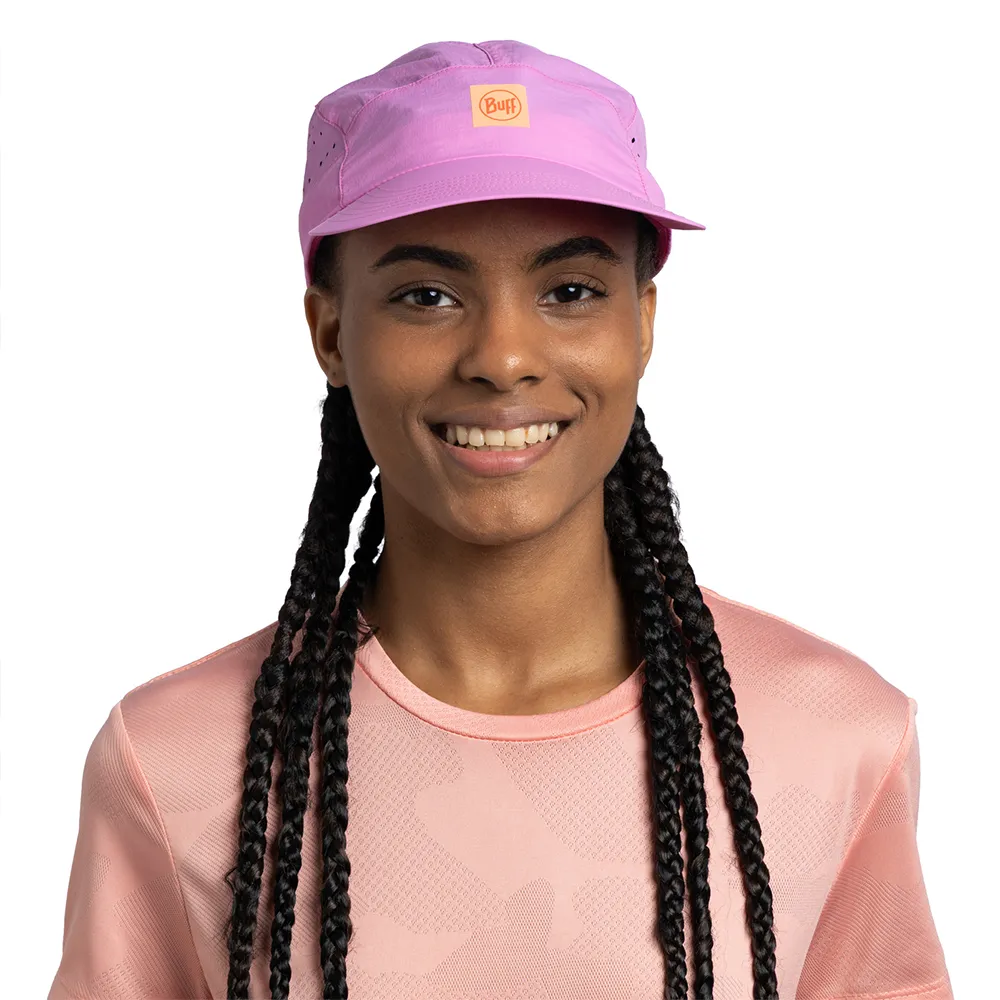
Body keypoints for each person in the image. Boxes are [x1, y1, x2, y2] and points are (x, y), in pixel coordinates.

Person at [48, 39, 953, 1000]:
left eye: (570, 292)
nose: (504, 356)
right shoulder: (176, 761)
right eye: (426, 295)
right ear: (330, 332)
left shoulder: (839, 739)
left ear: (642, 323)